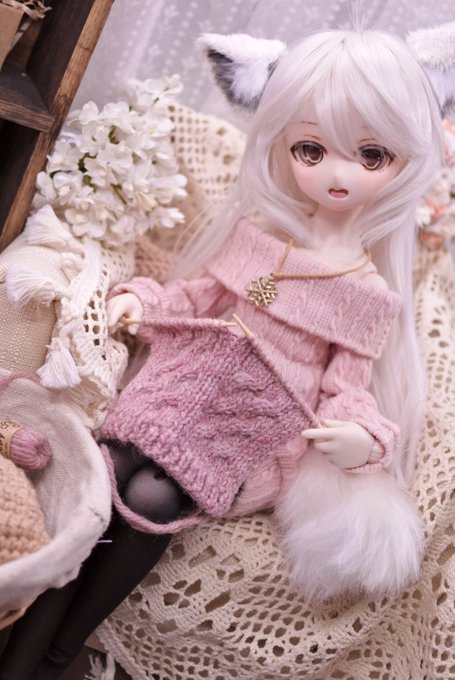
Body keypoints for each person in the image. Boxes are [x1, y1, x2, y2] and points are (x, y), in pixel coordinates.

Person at [0, 26, 446, 679]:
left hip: (249, 435)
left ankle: (60, 653)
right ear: (283, 144)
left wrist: (360, 437)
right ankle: (24, 646)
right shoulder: (262, 239)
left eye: (371, 155)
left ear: (406, 160)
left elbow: (345, 388)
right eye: (311, 149)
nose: (337, 172)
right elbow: (201, 297)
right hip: (179, 391)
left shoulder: (366, 292)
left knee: (153, 496)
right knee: (104, 467)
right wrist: (142, 302)